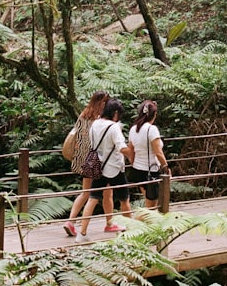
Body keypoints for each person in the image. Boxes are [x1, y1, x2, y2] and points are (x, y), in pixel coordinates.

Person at [76, 98, 135, 240]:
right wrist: (132, 154)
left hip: (98, 167)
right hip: (114, 168)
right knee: (124, 200)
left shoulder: (94, 124)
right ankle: (130, 231)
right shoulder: (114, 127)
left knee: (92, 199)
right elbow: (121, 148)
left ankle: (82, 233)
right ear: (115, 113)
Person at [63, 91, 109, 236]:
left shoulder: (84, 114)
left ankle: (70, 221)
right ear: (101, 102)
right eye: (105, 102)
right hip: (94, 159)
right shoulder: (98, 118)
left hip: (83, 158)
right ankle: (109, 223)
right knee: (103, 192)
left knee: (86, 192)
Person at [129, 100, 170, 210]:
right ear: (154, 114)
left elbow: (131, 150)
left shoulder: (133, 129)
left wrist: (133, 163)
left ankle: (146, 224)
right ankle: (145, 224)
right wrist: (166, 167)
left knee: (149, 203)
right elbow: (158, 152)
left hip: (138, 170)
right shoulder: (152, 129)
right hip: (151, 171)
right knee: (152, 205)